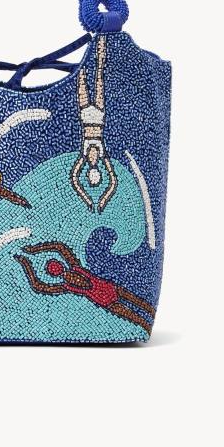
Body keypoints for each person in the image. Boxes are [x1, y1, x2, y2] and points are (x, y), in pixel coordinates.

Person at [15, 241, 155, 334]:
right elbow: (39, 286)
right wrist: (26, 263)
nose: (62, 271)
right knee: (132, 315)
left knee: (137, 302)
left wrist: (34, 250)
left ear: (61, 264)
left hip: (111, 289)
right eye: (56, 270)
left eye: (58, 265)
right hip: (106, 300)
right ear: (55, 274)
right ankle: (144, 325)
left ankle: (148, 318)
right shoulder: (66, 285)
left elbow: (59, 247)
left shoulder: (75, 268)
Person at [70, 36, 118, 213]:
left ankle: (98, 46)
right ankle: (102, 46)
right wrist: (103, 198)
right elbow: (113, 182)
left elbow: (75, 179)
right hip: (98, 118)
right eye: (96, 173)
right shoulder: (103, 157)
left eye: (91, 174)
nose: (92, 160)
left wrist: (88, 198)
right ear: (98, 171)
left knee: (81, 78)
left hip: (85, 118)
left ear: (89, 172)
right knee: (99, 78)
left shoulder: (83, 157)